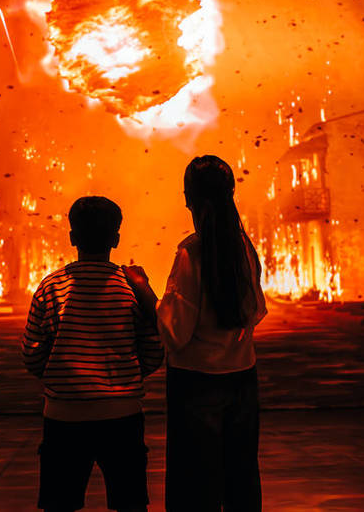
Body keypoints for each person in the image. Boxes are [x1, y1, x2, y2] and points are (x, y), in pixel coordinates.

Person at [124, 155, 266, 512]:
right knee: (241, 477)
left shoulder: (191, 253)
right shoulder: (244, 247)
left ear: (189, 198)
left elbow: (174, 331)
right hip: (242, 380)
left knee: (194, 485)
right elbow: (256, 311)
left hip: (195, 384)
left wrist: (142, 289)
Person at [22, 196, 164, 512]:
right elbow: (154, 349)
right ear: (116, 238)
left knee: (60, 504)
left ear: (72, 237)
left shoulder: (51, 287)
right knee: (130, 503)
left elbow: (32, 353)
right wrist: (127, 376)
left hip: (64, 416)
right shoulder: (131, 287)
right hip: (122, 415)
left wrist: (61, 374)